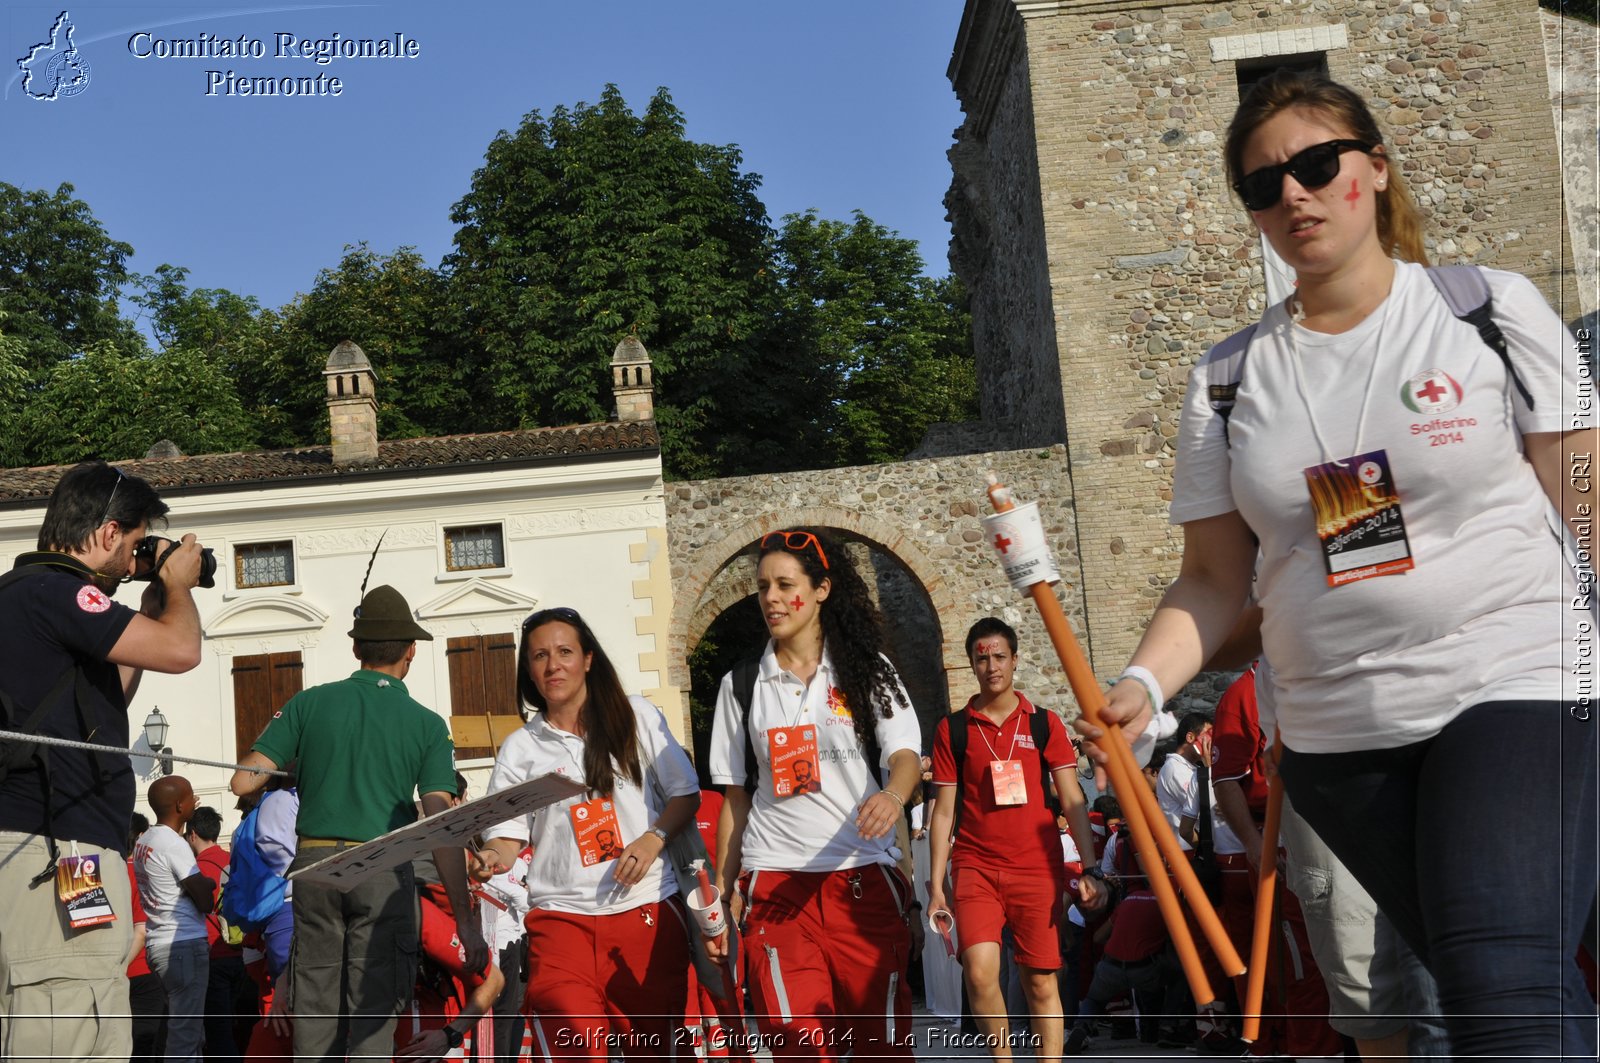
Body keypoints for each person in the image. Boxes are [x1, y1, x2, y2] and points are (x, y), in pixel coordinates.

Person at [1081, 68, 1598, 1060]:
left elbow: (1585, 495)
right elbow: (1210, 576)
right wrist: (1144, 682)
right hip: (1336, 738)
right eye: (1262, 184)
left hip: (1518, 678)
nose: (1294, 195)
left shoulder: (1487, 309)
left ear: (1376, 170)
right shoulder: (1226, 380)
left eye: (1317, 165)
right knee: (1506, 974)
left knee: (1502, 976)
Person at [0, 459, 204, 1061]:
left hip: (55, 853)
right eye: (137, 542)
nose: (137, 555)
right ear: (110, 533)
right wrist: (181, 588)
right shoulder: (58, 590)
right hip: (56, 849)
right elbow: (182, 649)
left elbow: (106, 695)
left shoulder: (25, 598)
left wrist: (147, 602)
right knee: (69, 1018)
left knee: (76, 1001)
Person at [229, 584, 486, 1060]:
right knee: (373, 1018)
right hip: (380, 866)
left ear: (355, 647)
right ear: (411, 650)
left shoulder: (309, 703)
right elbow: (440, 823)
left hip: (316, 867)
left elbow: (243, 783)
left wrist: (296, 757)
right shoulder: (427, 724)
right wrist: (467, 922)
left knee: (317, 1012)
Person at [708, 527, 923, 1061]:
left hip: (862, 880)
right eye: (763, 587)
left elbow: (904, 756)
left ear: (822, 589)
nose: (772, 599)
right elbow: (735, 799)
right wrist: (722, 888)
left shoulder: (869, 670)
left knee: (883, 1050)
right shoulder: (740, 685)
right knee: (797, 1047)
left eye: (785, 584)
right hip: (776, 882)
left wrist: (894, 797)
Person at [479, 606, 701, 1060]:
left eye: (564, 652)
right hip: (561, 924)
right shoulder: (521, 747)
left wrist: (652, 838)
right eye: (539, 656)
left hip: (646, 914)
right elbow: (505, 838)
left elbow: (686, 795)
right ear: (528, 669)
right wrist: (485, 858)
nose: (553, 665)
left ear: (588, 659)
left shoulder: (635, 716)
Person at [926, 617, 1105, 1062]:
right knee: (981, 973)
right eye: (981, 658)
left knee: (1041, 981)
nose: (991, 666)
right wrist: (934, 884)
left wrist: (1090, 867)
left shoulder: (1044, 724)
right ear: (971, 664)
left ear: (1015, 661)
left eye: (999, 656)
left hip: (1036, 867)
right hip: (975, 866)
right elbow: (943, 811)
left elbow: (1071, 797)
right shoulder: (954, 728)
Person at [133, 775, 214, 1063]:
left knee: (186, 1032)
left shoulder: (146, 841)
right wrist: (209, 886)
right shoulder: (173, 844)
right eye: (192, 796)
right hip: (183, 944)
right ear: (180, 805)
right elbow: (204, 899)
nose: (196, 800)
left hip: (159, 946)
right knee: (185, 1037)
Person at [184, 805, 249, 1062]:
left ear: (192, 835)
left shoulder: (194, 870)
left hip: (213, 957)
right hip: (240, 953)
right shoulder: (232, 861)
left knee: (218, 1032)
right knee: (234, 1027)